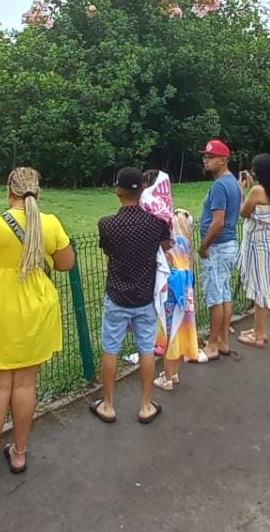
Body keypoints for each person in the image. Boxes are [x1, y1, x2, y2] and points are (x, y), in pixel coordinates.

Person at [0, 167, 75, 481]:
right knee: (26, 385)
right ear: (38, 192)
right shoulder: (50, 224)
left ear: (9, 192)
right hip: (36, 314)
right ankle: (19, 452)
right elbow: (67, 263)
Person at [89, 167, 169, 425]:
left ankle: (108, 404)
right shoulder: (156, 223)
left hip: (117, 295)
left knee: (110, 348)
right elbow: (165, 244)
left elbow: (108, 251)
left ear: (118, 191)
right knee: (146, 349)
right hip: (145, 296)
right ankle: (145, 405)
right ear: (142, 190)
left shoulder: (107, 224)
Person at [142, 169, 204, 391]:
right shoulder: (187, 242)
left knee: (169, 332)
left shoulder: (168, 238)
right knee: (180, 328)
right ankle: (174, 373)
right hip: (185, 287)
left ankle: (167, 378)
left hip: (171, 288)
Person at [236, 153, 270, 348]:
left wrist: (242, 190)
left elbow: (244, 212)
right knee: (264, 286)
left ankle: (258, 335)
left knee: (260, 289)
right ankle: (259, 329)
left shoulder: (257, 190)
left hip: (258, 246)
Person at [197, 139, 241, 359]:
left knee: (214, 297)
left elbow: (218, 221)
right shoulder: (232, 182)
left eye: (211, 157)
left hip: (217, 246)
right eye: (205, 156)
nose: (206, 160)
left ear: (223, 159)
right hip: (228, 244)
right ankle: (223, 340)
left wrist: (204, 246)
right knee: (224, 294)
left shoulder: (219, 186)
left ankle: (212, 345)